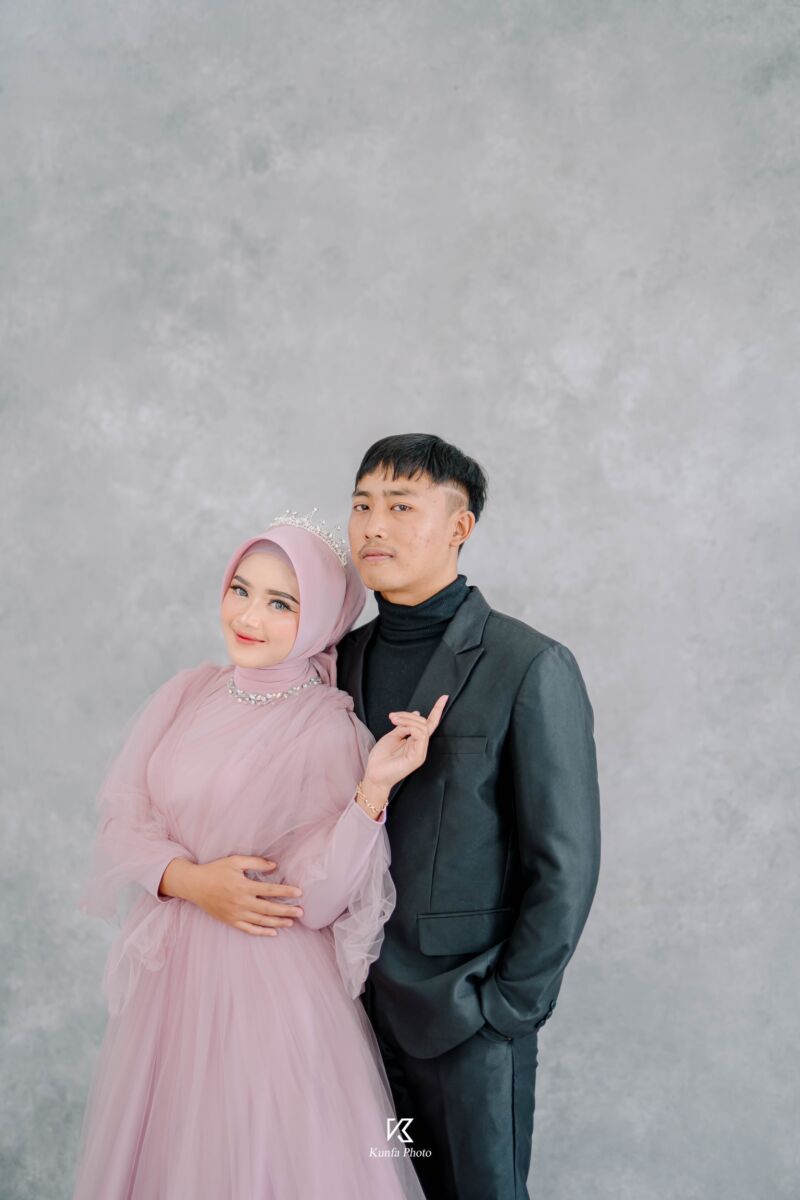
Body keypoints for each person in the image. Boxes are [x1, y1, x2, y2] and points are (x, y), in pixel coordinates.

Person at [72, 513, 447, 1200]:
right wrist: (189, 880)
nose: (249, 616)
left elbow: (321, 899)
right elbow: (121, 822)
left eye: (281, 603)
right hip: (172, 983)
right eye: (241, 590)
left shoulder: (327, 729)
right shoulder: (189, 693)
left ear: (321, 617)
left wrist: (372, 790)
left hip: (265, 991)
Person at [333, 433, 603, 1199]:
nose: (374, 526)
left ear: (460, 526)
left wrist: (505, 1009)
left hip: (465, 1020)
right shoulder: (336, 660)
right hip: (350, 1015)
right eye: (362, 506)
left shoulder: (528, 665)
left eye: (400, 507)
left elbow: (565, 864)